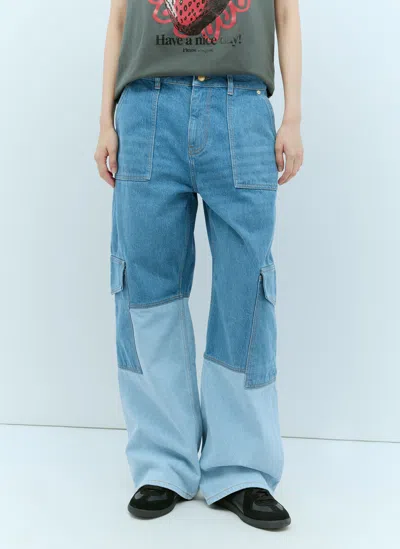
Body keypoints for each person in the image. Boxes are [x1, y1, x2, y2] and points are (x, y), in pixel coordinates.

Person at [94, 0, 303, 531]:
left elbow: (285, 14)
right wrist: (104, 121)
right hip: (146, 108)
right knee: (147, 290)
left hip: (241, 106)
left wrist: (293, 117)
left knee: (245, 290)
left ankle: (242, 469)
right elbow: (120, 19)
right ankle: (162, 463)